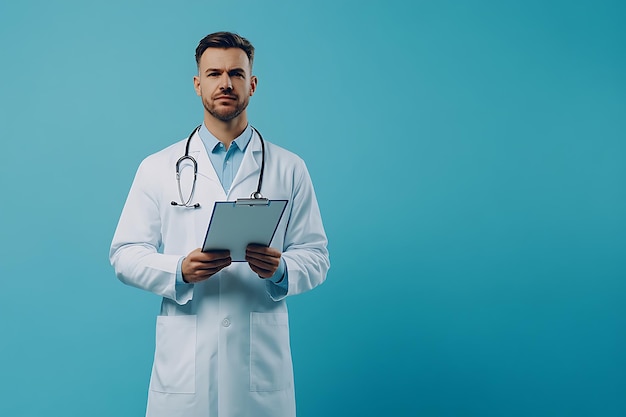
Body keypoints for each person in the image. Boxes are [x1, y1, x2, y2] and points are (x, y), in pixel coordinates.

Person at [109, 31, 329, 417]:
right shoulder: (158, 167)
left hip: (258, 370)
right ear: (198, 84)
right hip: (185, 370)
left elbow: (316, 256)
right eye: (213, 74)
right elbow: (124, 254)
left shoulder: (289, 168)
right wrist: (178, 269)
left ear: (252, 84)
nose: (225, 83)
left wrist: (281, 269)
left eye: (236, 74)